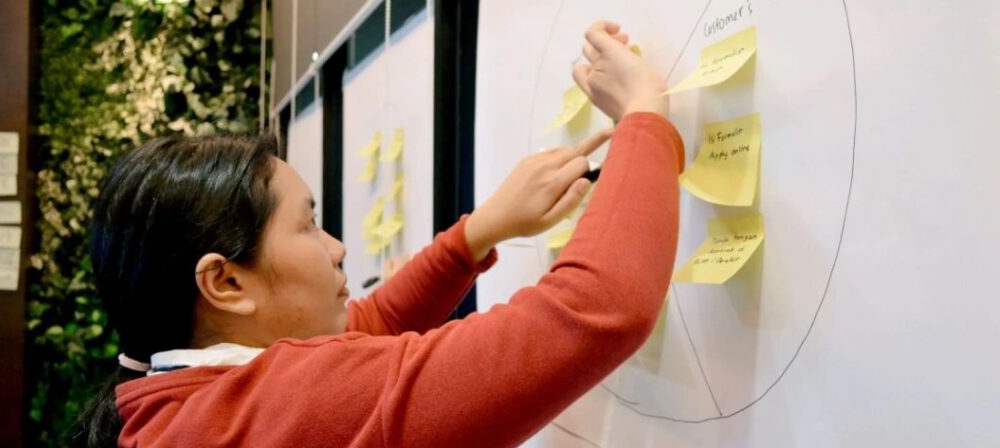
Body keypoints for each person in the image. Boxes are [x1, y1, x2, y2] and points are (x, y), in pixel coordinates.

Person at [75, 21, 684, 447]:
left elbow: (362, 327)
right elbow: (595, 311)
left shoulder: (185, 396)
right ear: (226, 281)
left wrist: (476, 234)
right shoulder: (285, 410)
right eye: (308, 225)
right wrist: (643, 116)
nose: (336, 248)